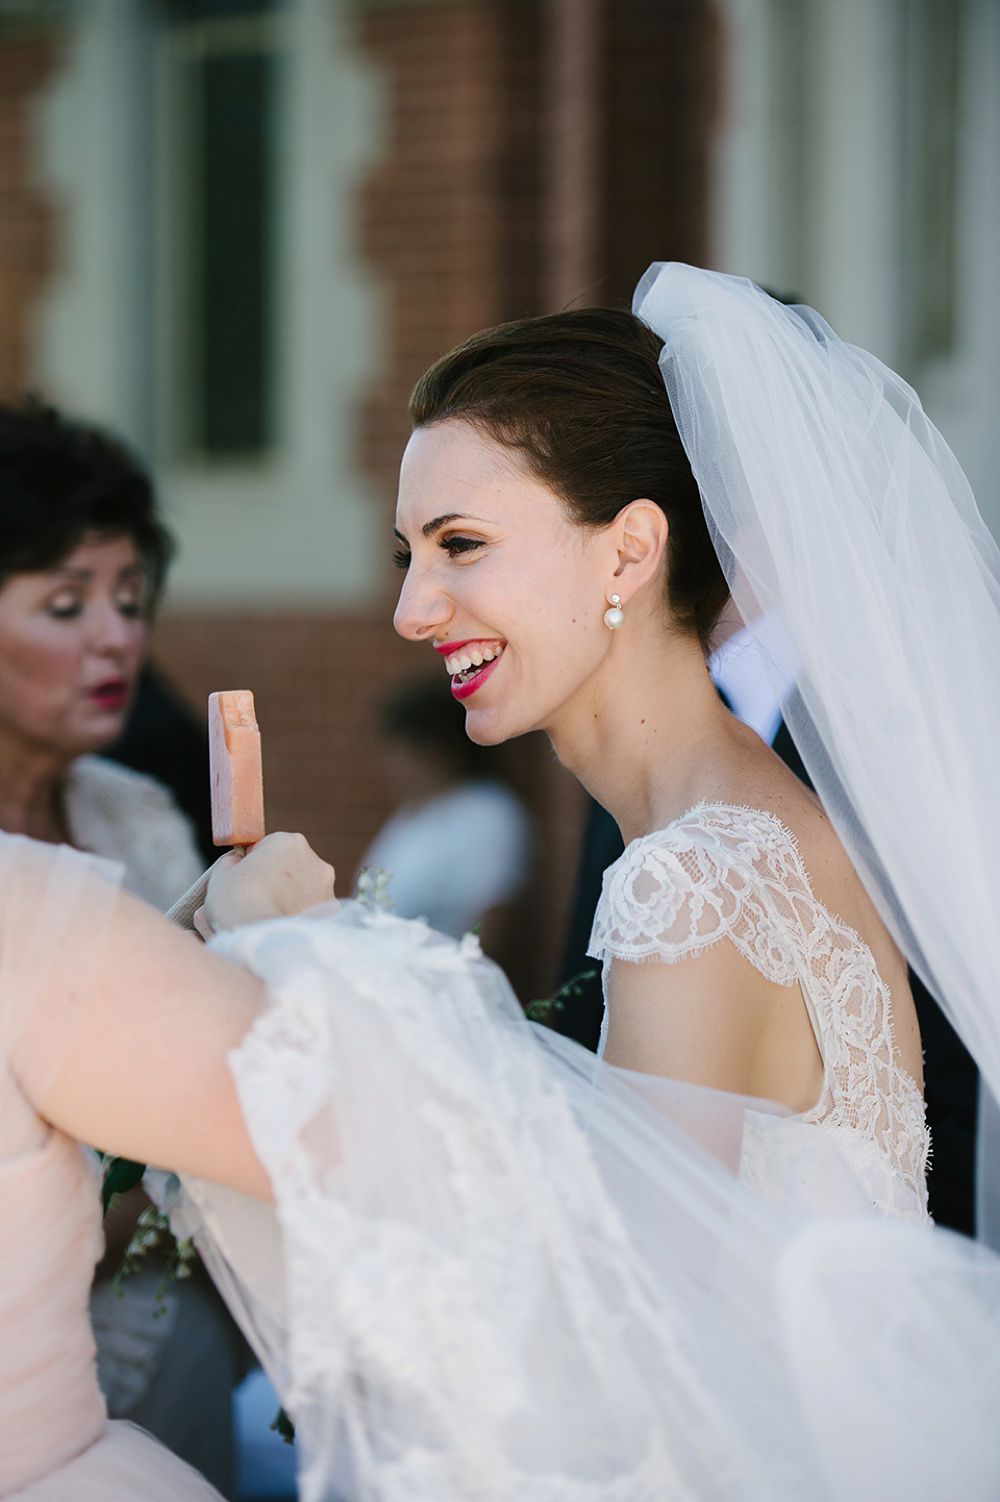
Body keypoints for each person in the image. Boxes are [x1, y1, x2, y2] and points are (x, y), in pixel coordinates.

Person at [6, 265, 1000, 1499]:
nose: (414, 610)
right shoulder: (754, 832)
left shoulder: (694, 880)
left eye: (461, 546)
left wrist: (323, 971)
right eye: (405, 554)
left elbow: (625, 1359)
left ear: (628, 551)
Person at [0, 400, 241, 1493]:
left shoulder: (136, 813)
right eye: (66, 602)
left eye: (130, 598)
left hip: (170, 1307)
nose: (115, 638)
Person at [355, 675, 532, 952]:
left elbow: (489, 920)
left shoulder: (486, 813)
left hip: (431, 985)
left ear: (446, 749)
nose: (395, 765)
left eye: (411, 752)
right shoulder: (414, 810)